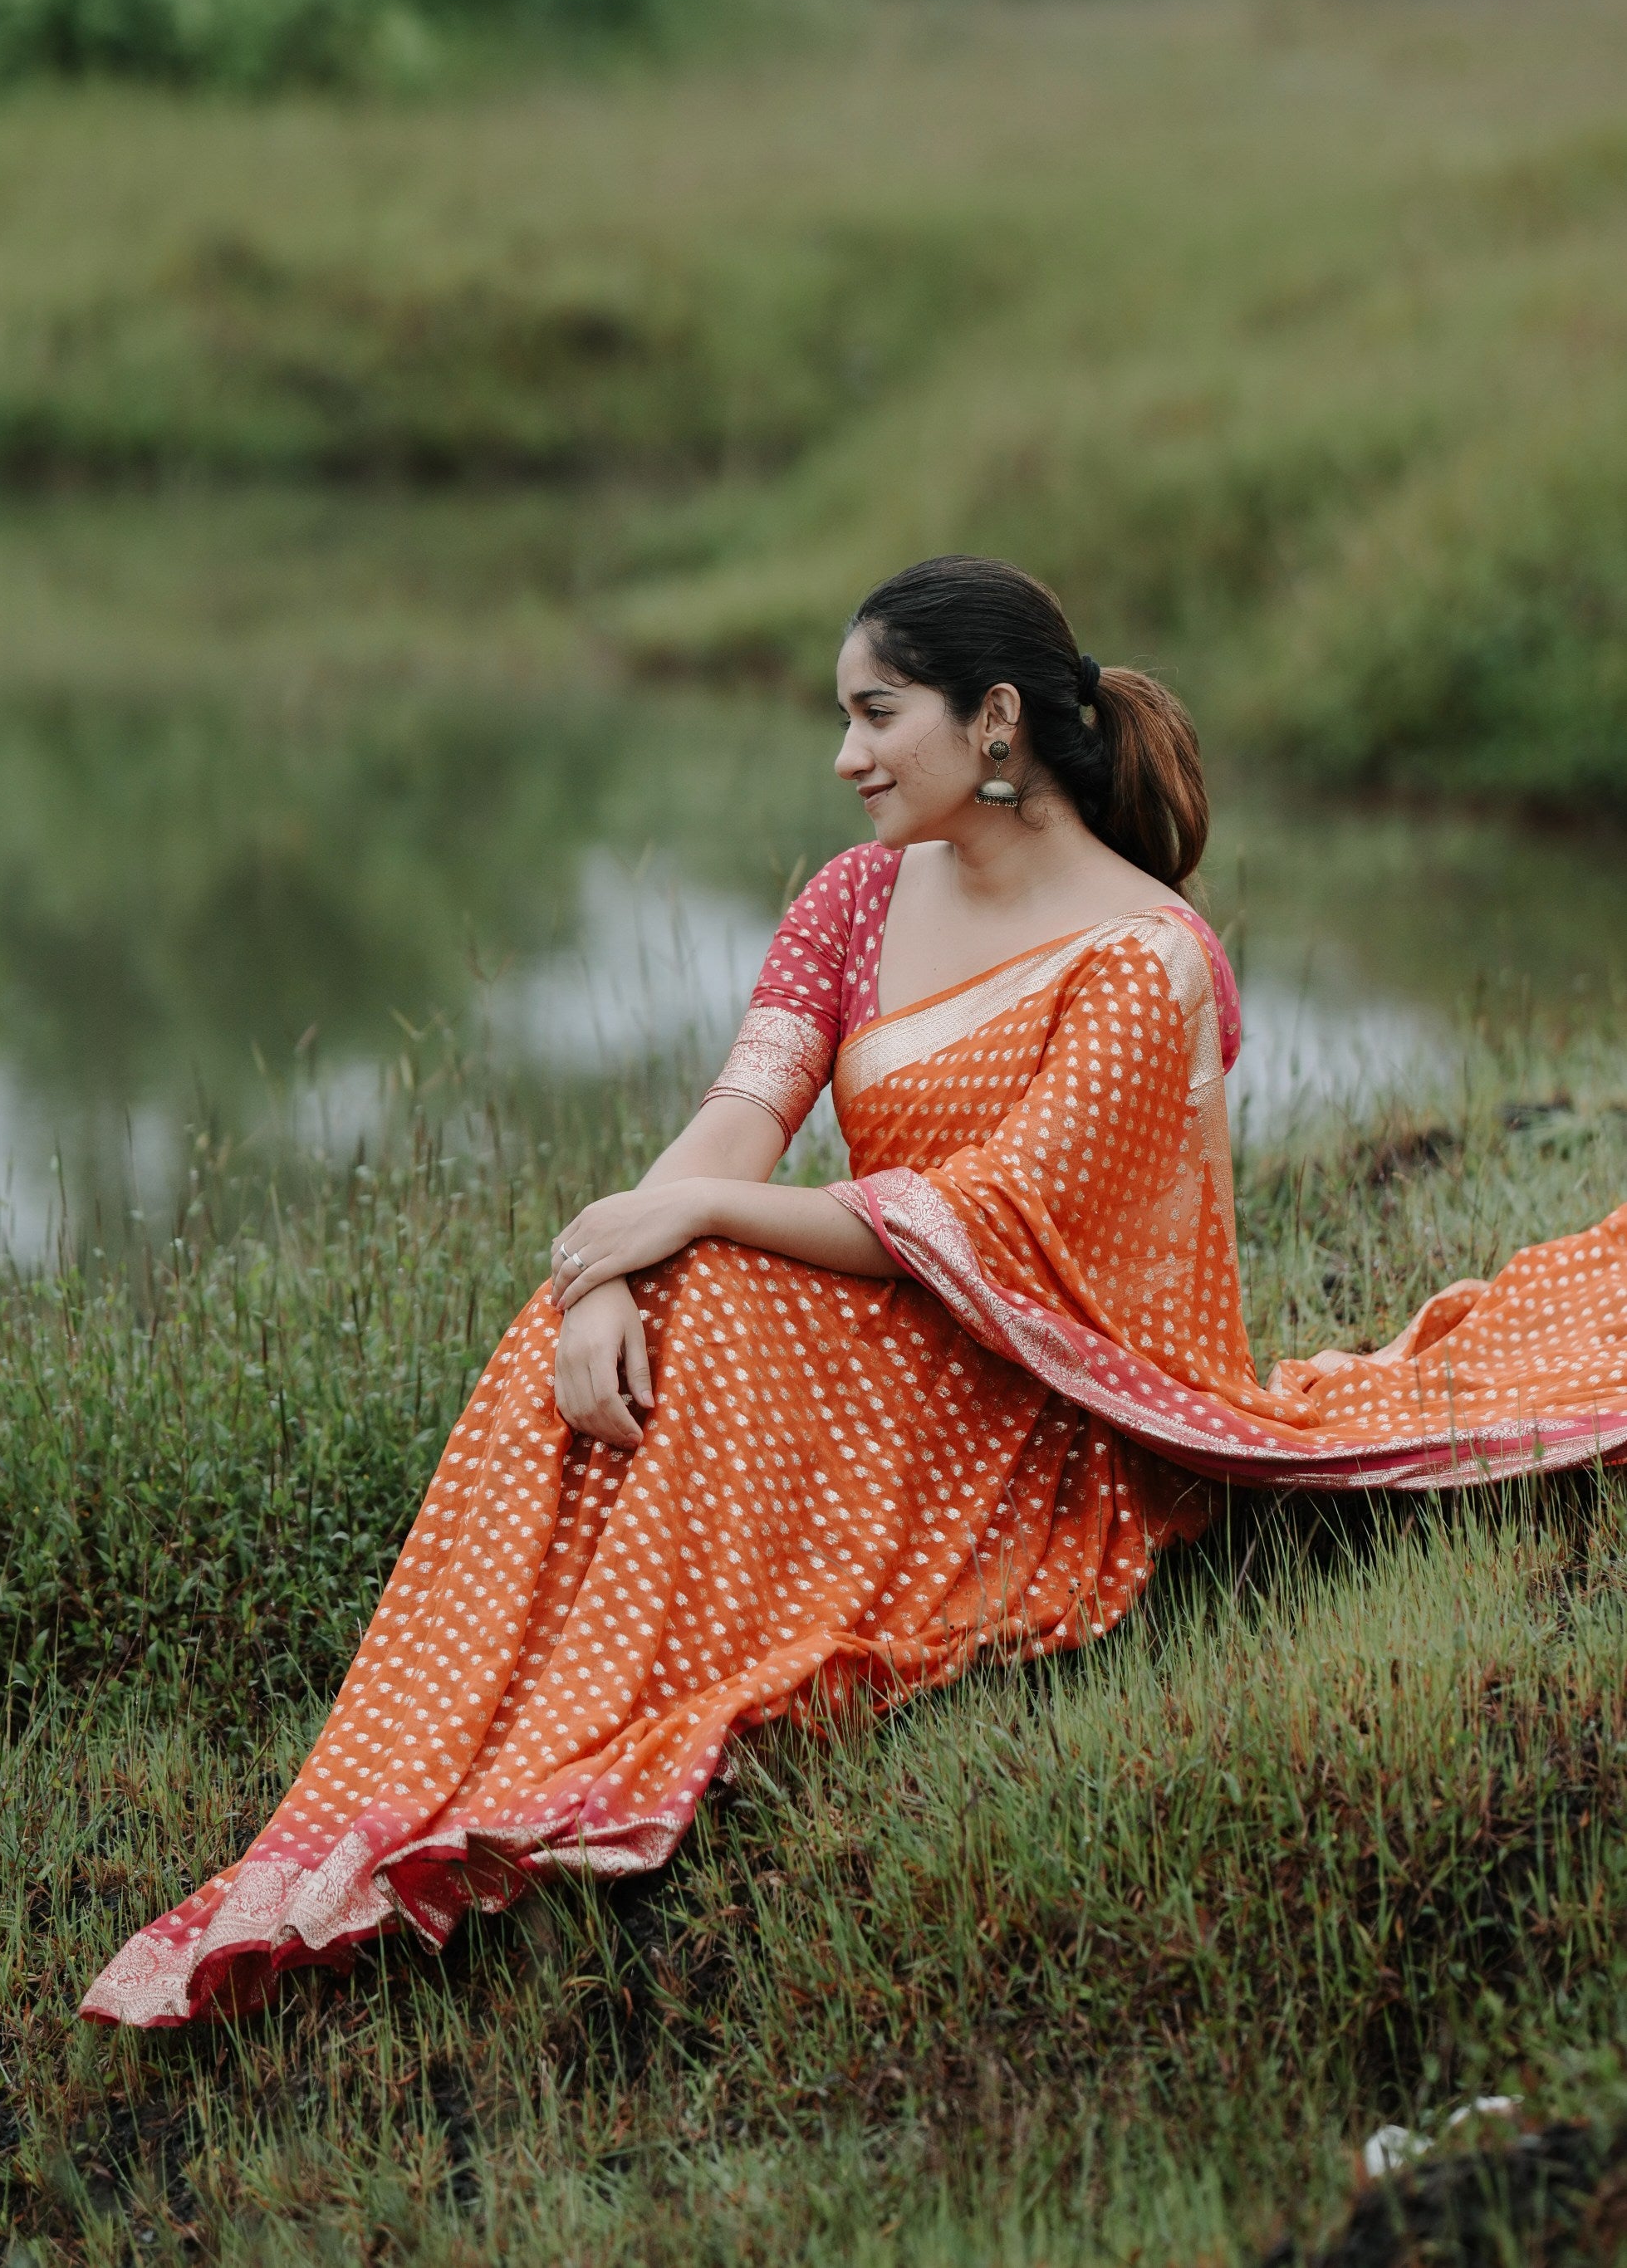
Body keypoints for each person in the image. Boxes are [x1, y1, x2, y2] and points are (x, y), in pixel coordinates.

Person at [84, 555, 1627, 2028]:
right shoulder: (856, 899)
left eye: (876, 713)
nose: (846, 757)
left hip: (1056, 1399)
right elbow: (738, 1118)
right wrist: (617, 1260)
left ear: (995, 720)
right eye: (846, 716)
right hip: (893, 1332)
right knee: (631, 1315)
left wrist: (695, 1219)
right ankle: (442, 1765)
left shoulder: (1145, 959)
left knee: (737, 1298)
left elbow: (988, 1218)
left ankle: (571, 1749)